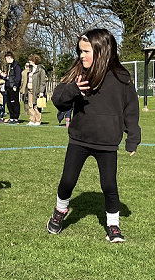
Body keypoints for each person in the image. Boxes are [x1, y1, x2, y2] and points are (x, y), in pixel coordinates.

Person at [46, 29, 140, 244]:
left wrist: (133, 137)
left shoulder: (122, 78)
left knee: (109, 185)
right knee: (67, 181)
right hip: (79, 140)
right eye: (80, 51)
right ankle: (60, 211)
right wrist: (73, 90)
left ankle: (113, 226)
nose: (82, 55)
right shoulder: (78, 74)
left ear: (102, 51)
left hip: (107, 143)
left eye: (86, 51)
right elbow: (58, 99)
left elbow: (131, 111)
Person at [22, 55, 46, 125]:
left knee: (36, 105)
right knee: (30, 105)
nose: (29, 61)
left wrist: (41, 91)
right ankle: (32, 120)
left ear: (34, 61)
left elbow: (42, 81)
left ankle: (38, 120)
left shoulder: (41, 70)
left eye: (30, 60)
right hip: (29, 90)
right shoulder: (30, 70)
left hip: (37, 90)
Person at [2, 51, 22, 123]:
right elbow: (9, 76)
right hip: (8, 86)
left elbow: (18, 76)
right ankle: (11, 116)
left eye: (6, 58)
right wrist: (4, 77)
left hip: (13, 87)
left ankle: (16, 117)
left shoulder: (16, 66)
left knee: (14, 102)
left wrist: (16, 85)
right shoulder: (8, 66)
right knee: (9, 103)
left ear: (9, 58)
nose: (6, 60)